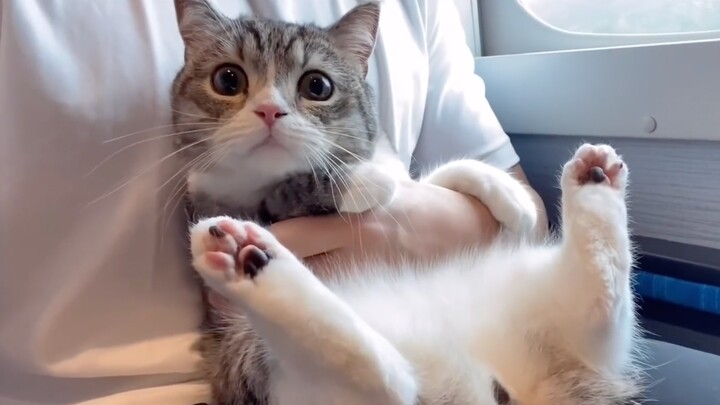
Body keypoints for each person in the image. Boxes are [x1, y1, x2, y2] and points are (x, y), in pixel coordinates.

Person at [0, 1, 550, 404]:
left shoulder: (419, 10)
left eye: (314, 88)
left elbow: (529, 220)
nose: (269, 108)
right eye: (230, 80)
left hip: (458, 338)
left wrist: (413, 229)